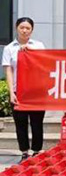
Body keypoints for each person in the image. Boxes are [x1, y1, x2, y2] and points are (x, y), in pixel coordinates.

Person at [1, 18, 46, 163]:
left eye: (28, 28)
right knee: (20, 123)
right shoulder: (9, 48)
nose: (24, 30)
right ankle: (24, 152)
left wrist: (31, 52)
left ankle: (37, 151)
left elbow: (44, 63)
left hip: (36, 91)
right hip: (18, 91)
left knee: (37, 122)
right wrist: (11, 92)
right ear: (16, 28)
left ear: (32, 30)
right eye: (22, 27)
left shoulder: (38, 46)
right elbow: (8, 71)